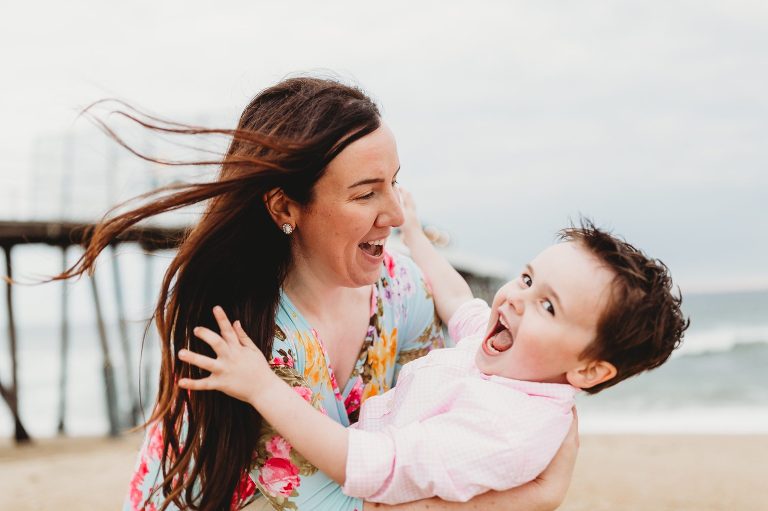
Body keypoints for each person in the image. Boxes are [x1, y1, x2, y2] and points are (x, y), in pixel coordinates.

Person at [57, 77, 578, 511]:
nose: (396, 214)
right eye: (366, 192)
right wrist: (535, 495)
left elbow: (434, 440)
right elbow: (348, 505)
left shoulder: (403, 289)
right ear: (285, 208)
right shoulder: (248, 332)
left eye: (394, 183)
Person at [177, 193, 689, 505]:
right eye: (527, 277)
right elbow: (458, 301)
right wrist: (417, 240)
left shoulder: (506, 429)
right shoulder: (507, 361)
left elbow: (363, 464)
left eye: (548, 306)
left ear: (591, 369)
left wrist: (263, 386)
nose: (513, 296)